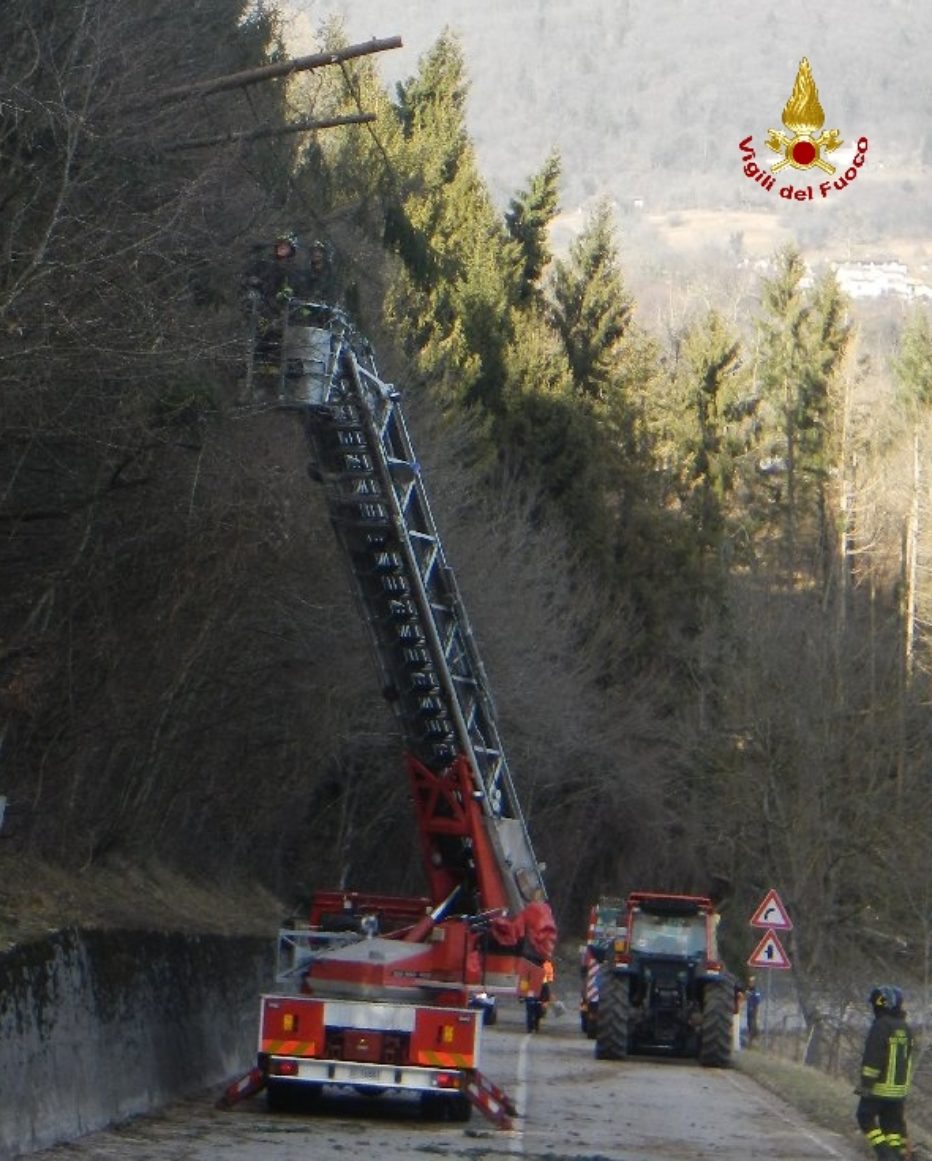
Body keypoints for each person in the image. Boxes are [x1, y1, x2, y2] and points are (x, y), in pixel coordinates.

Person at [856, 985, 914, 1159]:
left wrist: (866, 1084)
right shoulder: (905, 1027)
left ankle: (885, 1154)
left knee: (864, 1117)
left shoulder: (881, 1026)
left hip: (878, 1088)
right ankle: (896, 1155)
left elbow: (873, 1058)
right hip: (898, 1092)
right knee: (892, 1129)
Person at [745, 975, 762, 1044]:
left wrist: (755, 1007)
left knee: (753, 1025)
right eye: (749, 982)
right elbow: (746, 997)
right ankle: (751, 1039)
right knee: (749, 1024)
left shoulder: (756, 991)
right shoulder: (748, 990)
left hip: (754, 1009)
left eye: (751, 982)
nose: (750, 983)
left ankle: (753, 1039)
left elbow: (758, 1000)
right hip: (749, 1009)